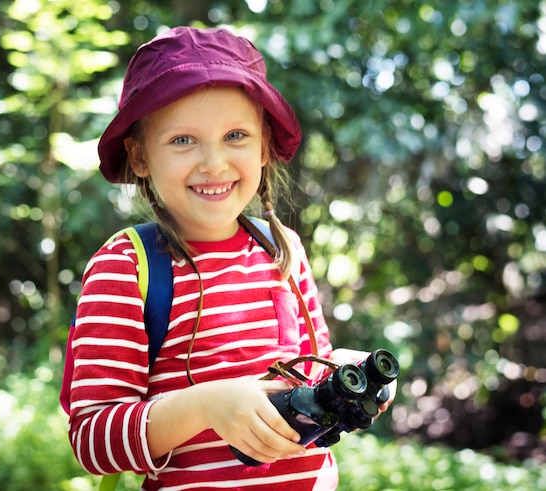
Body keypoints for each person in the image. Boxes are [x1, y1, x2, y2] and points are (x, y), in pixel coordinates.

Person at [67, 26, 395, 490]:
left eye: (235, 135)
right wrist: (206, 405)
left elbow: (312, 366)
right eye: (183, 140)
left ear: (262, 145)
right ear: (139, 156)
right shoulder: (127, 267)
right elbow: (92, 441)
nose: (215, 164)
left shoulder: (284, 248)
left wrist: (350, 375)